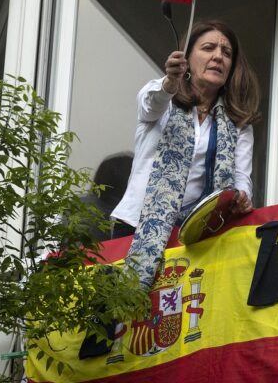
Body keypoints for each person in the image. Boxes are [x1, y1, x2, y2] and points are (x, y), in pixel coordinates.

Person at [112, 20, 261, 288]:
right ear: (187, 59)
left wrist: (241, 197)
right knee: (123, 309)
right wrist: (170, 81)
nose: (218, 56)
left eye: (226, 53)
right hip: (137, 229)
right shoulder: (161, 98)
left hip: (194, 238)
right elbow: (151, 104)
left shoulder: (239, 124)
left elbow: (241, 178)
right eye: (208, 48)